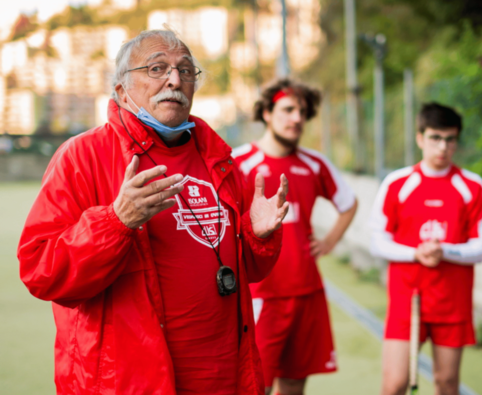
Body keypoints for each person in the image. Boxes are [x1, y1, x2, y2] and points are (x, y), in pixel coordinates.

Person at [17, 29, 290, 395]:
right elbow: (40, 271)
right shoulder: (82, 156)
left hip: (226, 376)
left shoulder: (219, 159)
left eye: (186, 70)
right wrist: (116, 223)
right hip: (130, 382)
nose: (175, 79)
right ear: (121, 90)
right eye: (157, 68)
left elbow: (248, 273)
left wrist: (259, 236)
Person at [231, 78, 357, 395]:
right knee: (254, 384)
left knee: (294, 385)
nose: (297, 118)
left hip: (306, 292)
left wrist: (329, 241)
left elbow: (349, 203)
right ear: (267, 114)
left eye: (302, 111)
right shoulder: (239, 162)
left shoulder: (315, 163)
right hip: (261, 296)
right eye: (288, 109)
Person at [369, 102, 482, 395]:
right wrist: (416, 253)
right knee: (394, 384)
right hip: (407, 301)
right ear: (420, 138)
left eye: (450, 139)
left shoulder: (472, 186)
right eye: (435, 138)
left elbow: (480, 249)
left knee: (447, 384)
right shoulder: (397, 183)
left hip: (452, 304)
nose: (443, 147)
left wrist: (445, 251)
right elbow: (378, 243)